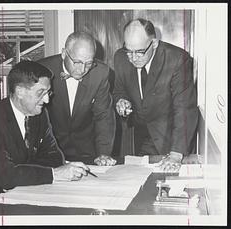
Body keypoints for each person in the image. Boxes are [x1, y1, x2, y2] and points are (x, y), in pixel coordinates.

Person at [0, 61, 90, 216]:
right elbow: (6, 176)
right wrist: (54, 174)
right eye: (40, 93)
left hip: (16, 194)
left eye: (48, 93)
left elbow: (54, 157)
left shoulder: (39, 115)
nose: (47, 100)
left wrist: (20, 173)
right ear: (20, 91)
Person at [113, 18, 198, 171]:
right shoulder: (120, 57)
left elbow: (184, 109)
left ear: (154, 43)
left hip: (172, 138)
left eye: (139, 52)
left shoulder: (177, 60)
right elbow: (120, 90)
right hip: (139, 136)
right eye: (128, 51)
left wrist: (176, 154)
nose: (133, 58)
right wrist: (121, 101)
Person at [38, 32, 116, 166]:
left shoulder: (100, 73)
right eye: (77, 62)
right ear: (64, 54)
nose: (82, 69)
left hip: (86, 150)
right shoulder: (42, 70)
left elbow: (103, 116)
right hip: (49, 150)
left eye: (89, 63)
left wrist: (103, 153)